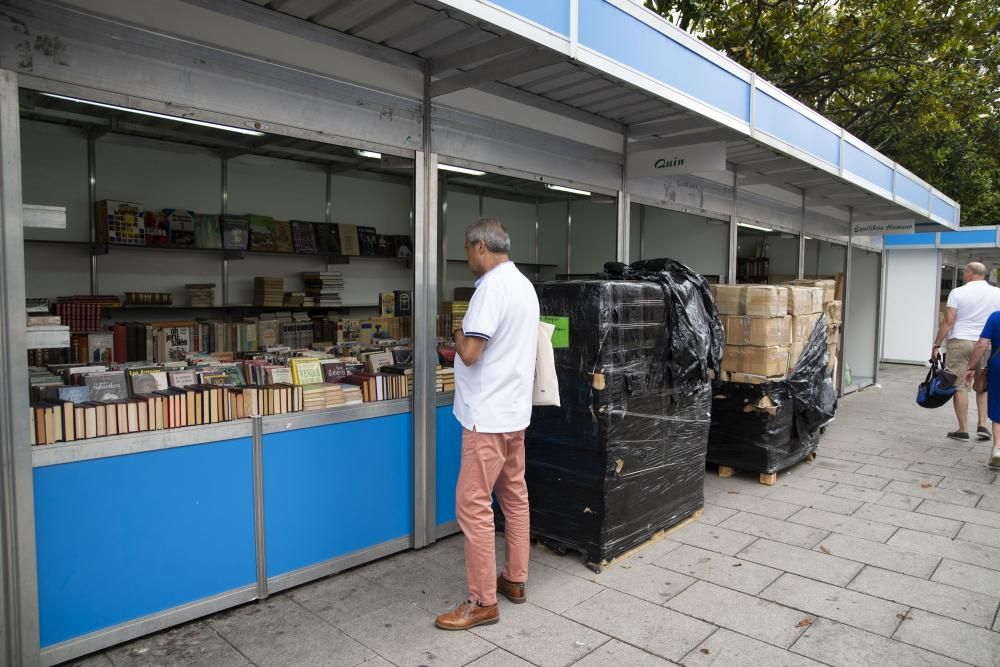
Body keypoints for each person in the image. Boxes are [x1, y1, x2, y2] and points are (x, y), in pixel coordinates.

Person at [435, 218, 539, 631]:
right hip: (514, 414)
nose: (467, 259)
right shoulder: (524, 287)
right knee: (514, 496)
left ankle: (482, 602)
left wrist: (458, 333)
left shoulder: (490, 290)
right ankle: (515, 578)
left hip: (487, 417)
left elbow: (472, 352)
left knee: (472, 504)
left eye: (467, 250)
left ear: (480, 247)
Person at [932, 262, 1000, 441]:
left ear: (970, 273)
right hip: (987, 344)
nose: (963, 274)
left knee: (959, 385)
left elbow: (948, 321)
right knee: (982, 385)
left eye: (964, 271)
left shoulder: (958, 292)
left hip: (960, 342)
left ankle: (963, 429)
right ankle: (982, 425)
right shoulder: (997, 293)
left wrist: (936, 345)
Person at [964, 311, 1000, 467]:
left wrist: (971, 366)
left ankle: (998, 448)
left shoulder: (996, 317)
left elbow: (982, 344)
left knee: (998, 407)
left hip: (998, 366)